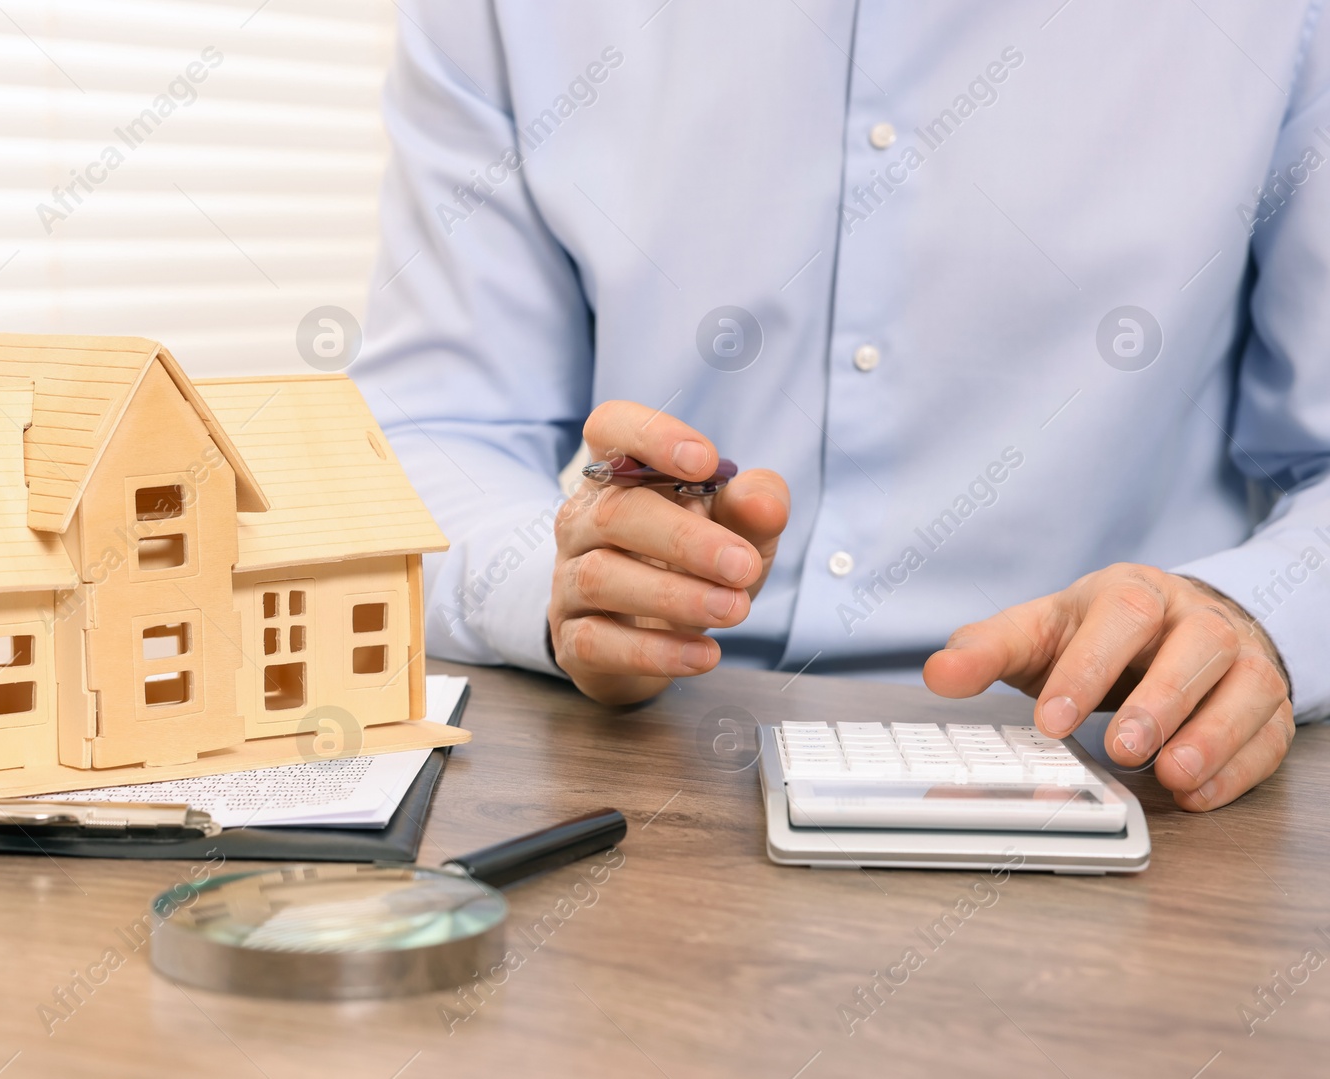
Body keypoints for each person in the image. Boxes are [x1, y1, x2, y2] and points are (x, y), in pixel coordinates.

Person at [353, 3, 1330, 811]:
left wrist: (1255, 613)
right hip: (634, 766)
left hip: (1116, 769)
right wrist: (562, 583)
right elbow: (431, 431)